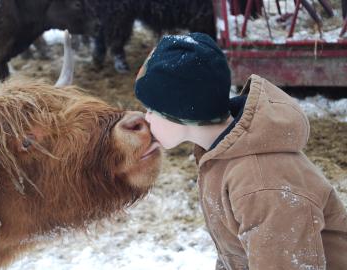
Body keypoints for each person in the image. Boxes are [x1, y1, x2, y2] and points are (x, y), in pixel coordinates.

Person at [134, 32, 347, 270]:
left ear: (182, 111)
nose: (146, 118)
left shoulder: (261, 184)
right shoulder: (220, 155)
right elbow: (237, 253)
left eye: (151, 109)